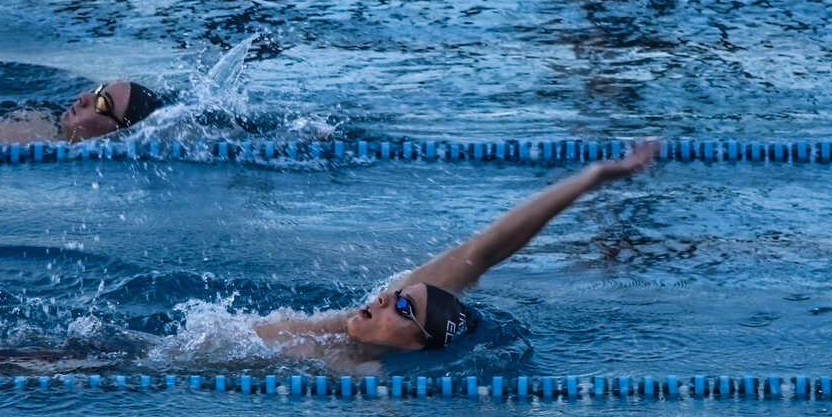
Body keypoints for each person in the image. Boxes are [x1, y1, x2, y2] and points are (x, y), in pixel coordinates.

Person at [251, 139, 661, 373]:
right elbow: (484, 250)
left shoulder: (361, 375)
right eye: (398, 294)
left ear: (417, 346)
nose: (385, 296)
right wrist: (594, 176)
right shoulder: (344, 332)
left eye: (403, 306)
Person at [0, 79, 166, 143]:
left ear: (120, 133)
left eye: (102, 103)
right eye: (97, 91)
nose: (83, 97)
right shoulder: (36, 124)